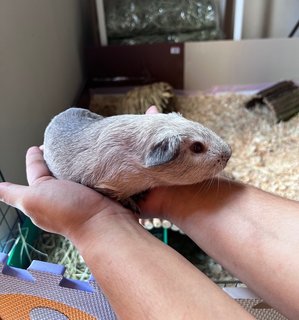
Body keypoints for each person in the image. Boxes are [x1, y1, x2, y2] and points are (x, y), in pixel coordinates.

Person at [0, 107, 299, 320]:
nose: (224, 154)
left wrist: (93, 224)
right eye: (197, 148)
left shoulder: (145, 162)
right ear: (159, 156)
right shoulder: (115, 171)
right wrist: (93, 220)